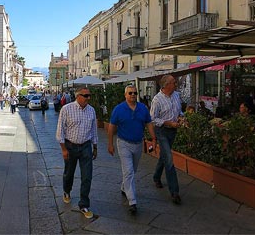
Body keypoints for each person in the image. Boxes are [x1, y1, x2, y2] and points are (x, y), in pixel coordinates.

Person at [107, 85, 156, 214]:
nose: (133, 95)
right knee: (128, 171)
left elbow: (148, 123)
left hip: (138, 143)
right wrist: (110, 144)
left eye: (134, 93)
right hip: (124, 143)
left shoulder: (142, 108)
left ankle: (124, 187)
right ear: (125, 95)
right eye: (130, 93)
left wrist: (153, 138)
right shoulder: (118, 109)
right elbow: (111, 127)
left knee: (132, 170)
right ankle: (132, 201)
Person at [56, 87, 98, 219]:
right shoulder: (66, 109)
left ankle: (84, 204)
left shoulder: (91, 110)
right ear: (78, 96)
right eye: (86, 96)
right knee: (69, 173)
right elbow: (60, 131)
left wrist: (95, 147)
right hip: (70, 146)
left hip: (86, 146)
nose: (88, 98)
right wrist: (63, 149)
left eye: (89, 95)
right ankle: (66, 191)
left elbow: (94, 130)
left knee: (87, 176)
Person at [150, 75, 183, 205]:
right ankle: (175, 192)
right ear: (166, 85)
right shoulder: (157, 100)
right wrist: (168, 123)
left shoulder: (176, 95)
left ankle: (156, 177)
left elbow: (179, 111)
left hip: (173, 131)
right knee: (169, 159)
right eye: (174, 82)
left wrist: (181, 117)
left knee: (164, 156)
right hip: (162, 131)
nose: (176, 84)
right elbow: (152, 119)